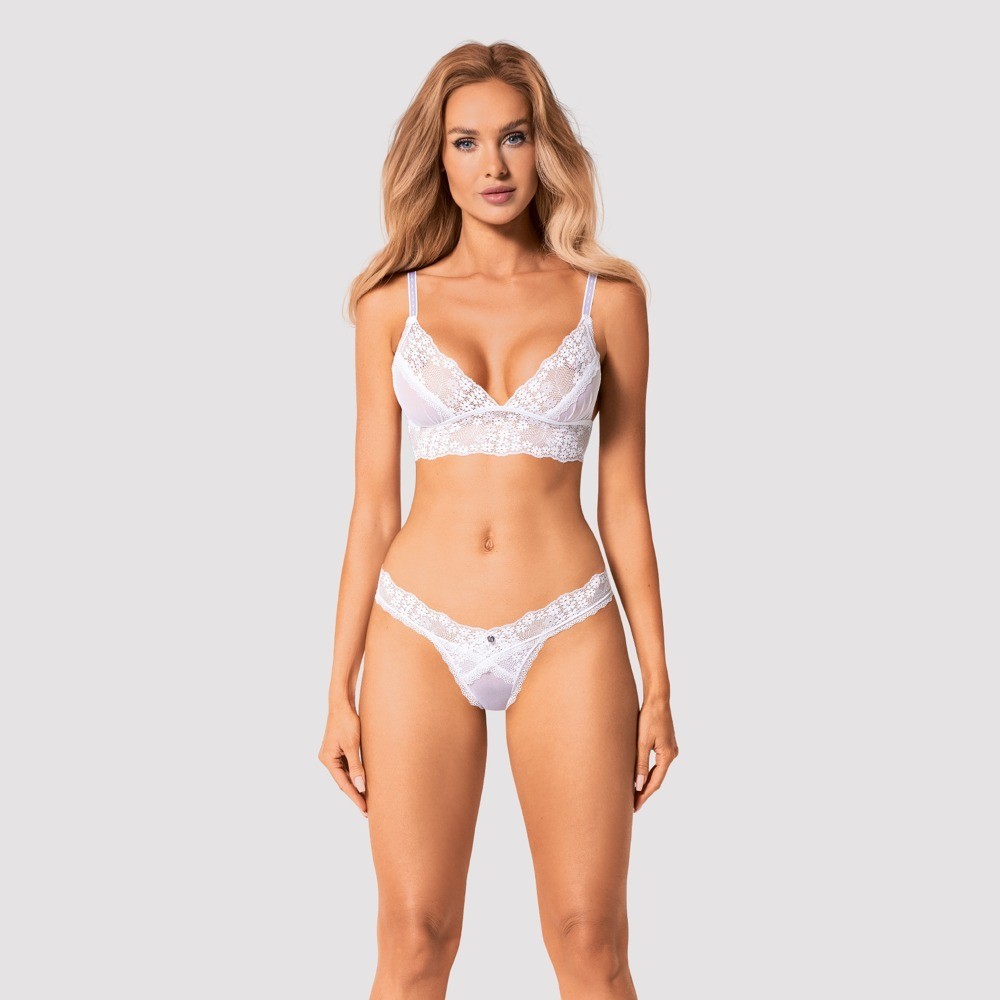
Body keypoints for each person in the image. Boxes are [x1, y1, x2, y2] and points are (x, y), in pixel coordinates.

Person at [319, 40, 678, 999]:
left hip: (568, 626)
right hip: (416, 626)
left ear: (542, 146)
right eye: (467, 142)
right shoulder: (389, 305)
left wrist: (658, 682)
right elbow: (372, 508)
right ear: (436, 156)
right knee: (415, 942)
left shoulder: (609, 300)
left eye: (514, 138)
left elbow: (626, 502)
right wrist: (338, 687)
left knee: (591, 943)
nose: (494, 165)